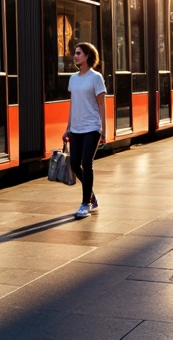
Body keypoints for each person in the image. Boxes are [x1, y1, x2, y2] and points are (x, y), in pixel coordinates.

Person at [63, 42, 106, 219]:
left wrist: (103, 130)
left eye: (79, 53)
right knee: (74, 164)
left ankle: (85, 204)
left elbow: (101, 104)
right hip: (76, 128)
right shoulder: (73, 79)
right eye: (75, 53)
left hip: (92, 127)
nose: (75, 56)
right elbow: (73, 104)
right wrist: (67, 128)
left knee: (87, 163)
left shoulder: (96, 78)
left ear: (87, 56)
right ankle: (91, 195)